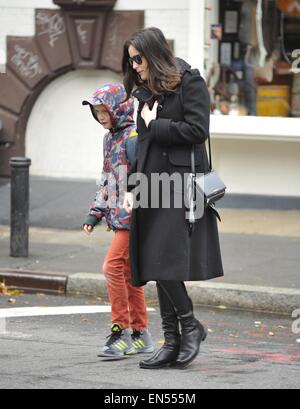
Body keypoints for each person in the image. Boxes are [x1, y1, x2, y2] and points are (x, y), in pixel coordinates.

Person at [122, 28, 224, 370]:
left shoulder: (189, 81)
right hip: (152, 186)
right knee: (154, 260)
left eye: (138, 58)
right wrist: (132, 188)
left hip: (180, 186)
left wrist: (157, 125)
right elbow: (143, 145)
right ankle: (173, 339)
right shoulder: (145, 93)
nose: (135, 65)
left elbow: (198, 130)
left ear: (153, 54)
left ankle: (189, 325)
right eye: (131, 60)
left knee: (164, 258)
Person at [82, 83, 154, 358]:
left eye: (104, 111)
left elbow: (143, 179)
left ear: (118, 109)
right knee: (127, 275)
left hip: (134, 218)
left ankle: (120, 332)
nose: (101, 116)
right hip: (119, 218)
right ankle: (140, 334)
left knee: (111, 266)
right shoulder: (108, 139)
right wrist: (95, 212)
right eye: (97, 112)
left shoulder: (134, 138)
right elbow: (106, 179)